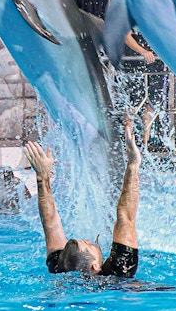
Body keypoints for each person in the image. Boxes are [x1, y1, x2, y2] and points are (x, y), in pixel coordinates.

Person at [22, 116, 143, 278]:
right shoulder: (119, 271)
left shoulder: (62, 265)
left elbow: (51, 222)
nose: (88, 240)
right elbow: (125, 217)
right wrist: (133, 164)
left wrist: (42, 176)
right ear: (95, 267)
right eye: (89, 245)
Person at [121, 30, 168, 149]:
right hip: (134, 61)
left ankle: (144, 143)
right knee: (131, 105)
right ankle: (128, 145)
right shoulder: (131, 19)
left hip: (155, 63)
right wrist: (143, 51)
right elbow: (126, 36)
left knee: (151, 105)